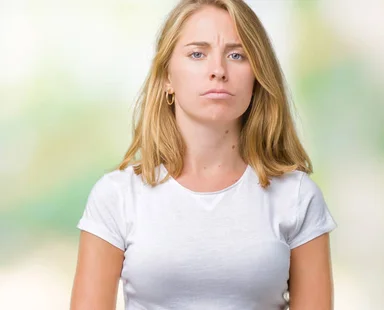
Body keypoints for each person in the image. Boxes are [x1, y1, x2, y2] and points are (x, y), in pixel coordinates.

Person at [69, 0, 337, 309]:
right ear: (167, 77)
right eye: (197, 54)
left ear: (257, 75)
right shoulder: (116, 196)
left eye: (237, 55)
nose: (218, 71)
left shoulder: (297, 197)